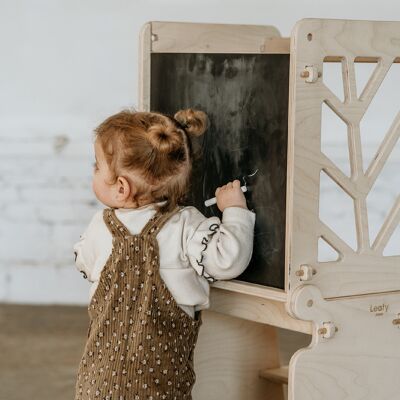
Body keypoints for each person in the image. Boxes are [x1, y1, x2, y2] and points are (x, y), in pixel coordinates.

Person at [73, 108, 255, 400]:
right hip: (159, 384)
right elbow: (227, 260)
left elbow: (84, 263)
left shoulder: (100, 227)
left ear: (121, 188)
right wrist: (234, 210)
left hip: (98, 383)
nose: (93, 171)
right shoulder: (185, 225)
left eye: (96, 167)